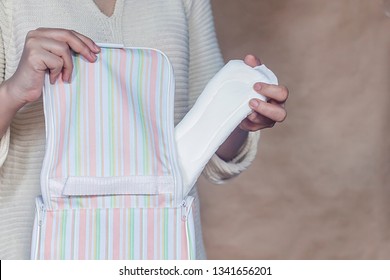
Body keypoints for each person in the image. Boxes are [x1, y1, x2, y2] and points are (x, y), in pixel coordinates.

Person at [0, 0, 288, 259]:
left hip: (165, 246)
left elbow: (210, 154)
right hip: (30, 250)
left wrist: (239, 117)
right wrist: (13, 92)